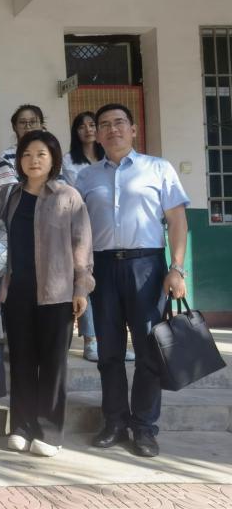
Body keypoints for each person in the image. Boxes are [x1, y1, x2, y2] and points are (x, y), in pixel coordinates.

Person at [76, 103, 189, 459]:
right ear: (97, 134)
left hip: (147, 266)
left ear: (134, 129)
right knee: (109, 352)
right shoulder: (86, 177)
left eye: (119, 123)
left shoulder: (158, 168)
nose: (113, 130)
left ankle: (144, 427)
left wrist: (177, 268)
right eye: (105, 125)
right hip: (102, 269)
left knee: (148, 349)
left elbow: (177, 220)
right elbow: (78, 230)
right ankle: (114, 422)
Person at [0, 130, 94, 458]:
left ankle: (49, 432)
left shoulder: (68, 196)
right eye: (26, 154)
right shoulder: (10, 196)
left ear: (53, 159)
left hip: (57, 293)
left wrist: (81, 287)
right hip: (17, 292)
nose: (33, 160)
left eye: (41, 154)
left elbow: (82, 246)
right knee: (21, 361)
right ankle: (21, 426)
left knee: (53, 364)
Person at [61, 112, 117, 363]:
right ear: (75, 132)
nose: (88, 129)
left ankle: (111, 341)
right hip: (81, 230)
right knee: (84, 283)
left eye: (92, 124)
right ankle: (90, 341)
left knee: (106, 286)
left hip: (108, 230)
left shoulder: (110, 158)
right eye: (81, 126)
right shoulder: (68, 161)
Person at [0, 104, 46, 188]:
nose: (28, 126)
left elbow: (60, 187)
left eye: (33, 122)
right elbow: (10, 191)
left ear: (41, 125)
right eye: (22, 122)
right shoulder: (6, 157)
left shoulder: (51, 154)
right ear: (14, 127)